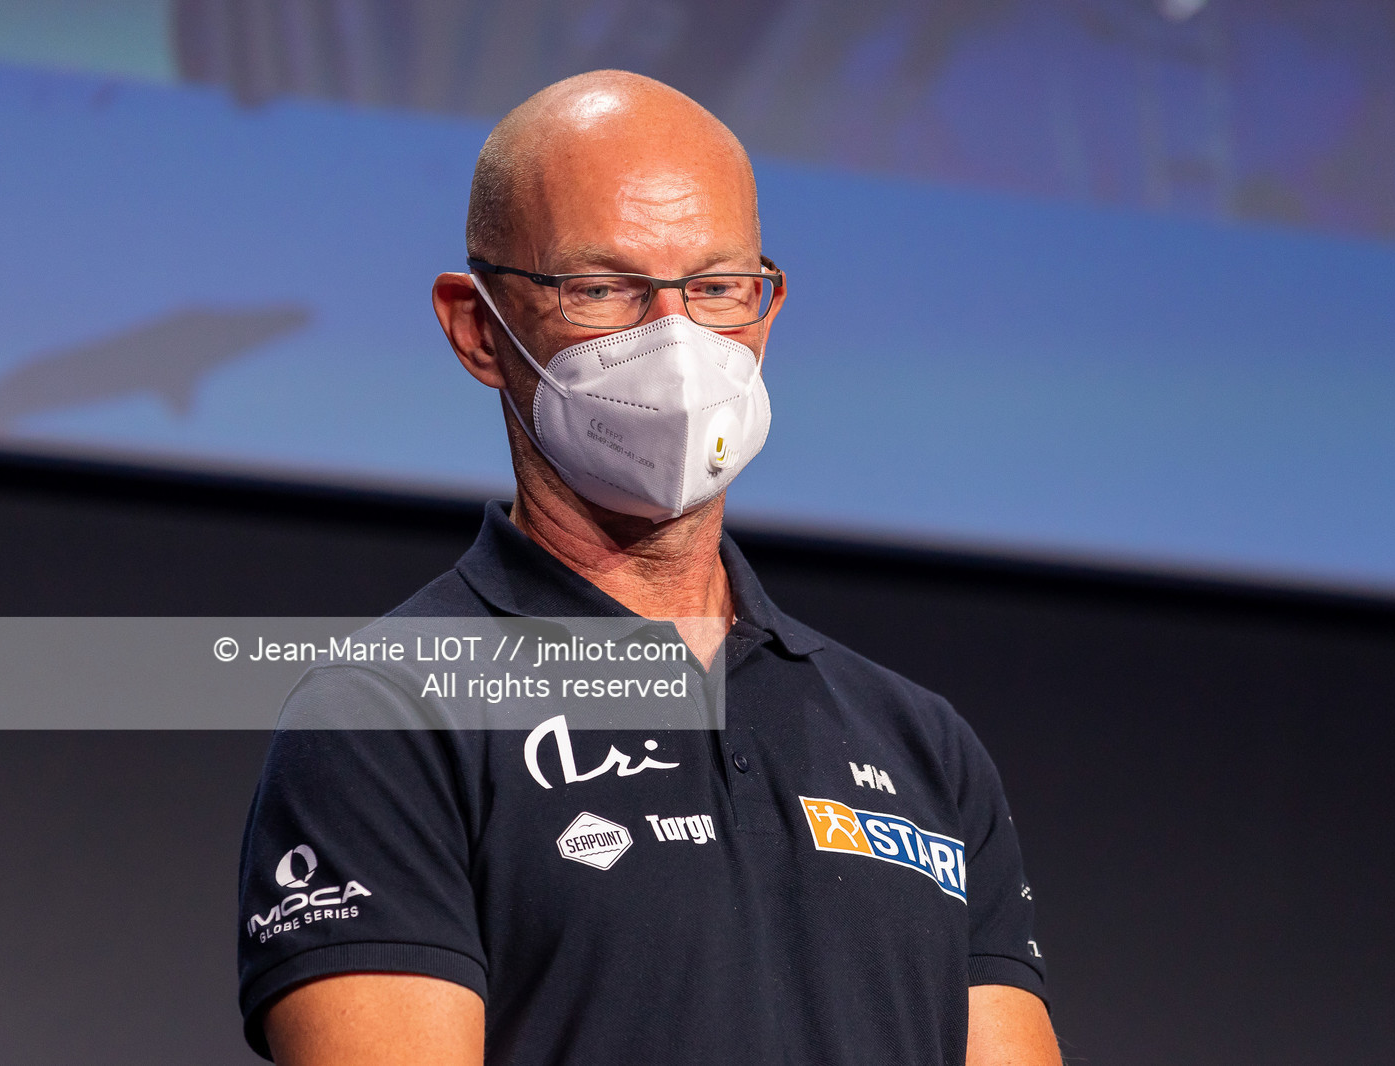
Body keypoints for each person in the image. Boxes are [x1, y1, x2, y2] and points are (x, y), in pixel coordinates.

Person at [237, 69, 1060, 1066]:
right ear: (476, 326)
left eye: (716, 288)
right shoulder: (385, 721)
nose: (675, 341)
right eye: (601, 288)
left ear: (767, 308)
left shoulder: (921, 744)